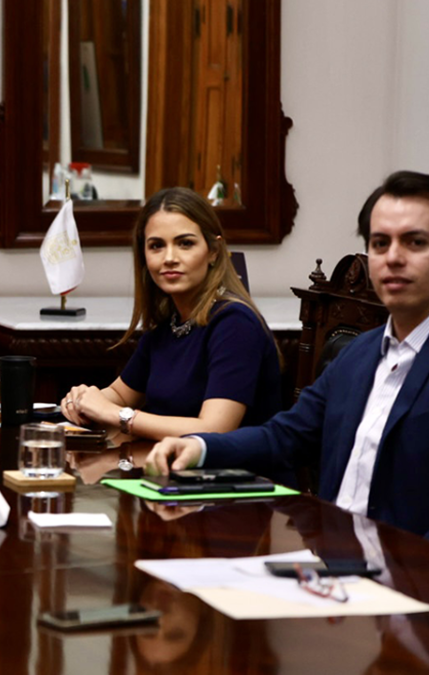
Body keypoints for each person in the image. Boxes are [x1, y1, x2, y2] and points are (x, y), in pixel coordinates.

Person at [146, 171, 429, 537]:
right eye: (379, 243)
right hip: (333, 568)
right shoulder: (359, 355)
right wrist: (199, 448)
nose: (392, 258)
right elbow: (286, 436)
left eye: (415, 242)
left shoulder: (235, 322)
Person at [59, 187, 282, 440]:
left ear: (213, 251)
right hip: (170, 470)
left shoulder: (235, 324)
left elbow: (215, 431)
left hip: (240, 475)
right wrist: (83, 399)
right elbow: (119, 395)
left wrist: (117, 415)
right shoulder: (169, 324)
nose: (170, 258)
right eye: (156, 246)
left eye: (185, 243)